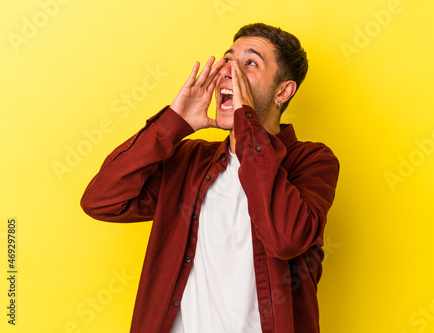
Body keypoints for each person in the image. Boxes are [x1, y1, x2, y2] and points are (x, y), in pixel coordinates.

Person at [81, 23, 339, 333]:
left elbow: (285, 240)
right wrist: (173, 124)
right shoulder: (190, 161)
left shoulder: (312, 162)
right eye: (228, 60)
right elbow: (102, 200)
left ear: (283, 92)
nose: (229, 72)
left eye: (250, 63)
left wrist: (246, 124)